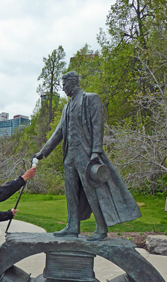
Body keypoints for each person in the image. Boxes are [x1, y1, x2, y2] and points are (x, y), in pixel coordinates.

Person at [35, 71, 141, 241]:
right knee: (71, 192)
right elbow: (59, 131)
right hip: (69, 156)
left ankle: (101, 227)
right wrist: (43, 152)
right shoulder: (67, 106)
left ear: (72, 82)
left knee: (92, 191)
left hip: (85, 154)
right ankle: (72, 226)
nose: (63, 88)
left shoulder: (90, 99)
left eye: (64, 84)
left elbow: (98, 126)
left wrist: (96, 151)